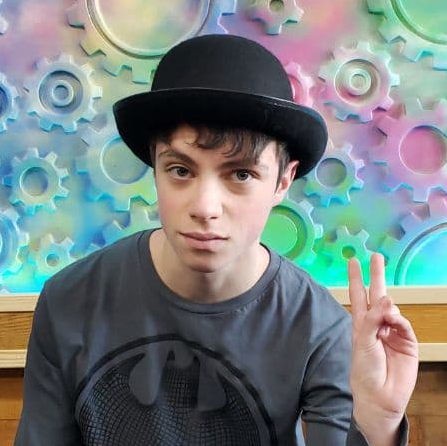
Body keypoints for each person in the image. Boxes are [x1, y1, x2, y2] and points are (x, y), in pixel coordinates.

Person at [14, 34, 418, 445]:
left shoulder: (320, 328)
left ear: (283, 181)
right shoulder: (69, 300)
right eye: (180, 171)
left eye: (241, 174)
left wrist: (378, 425)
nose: (205, 207)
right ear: (154, 168)